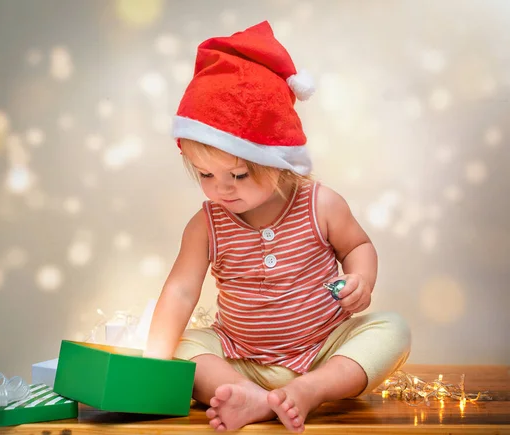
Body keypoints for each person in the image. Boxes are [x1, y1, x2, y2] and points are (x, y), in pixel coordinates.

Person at [144, 21, 411, 433]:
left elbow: (358, 246)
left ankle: (311, 390)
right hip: (240, 358)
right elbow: (180, 291)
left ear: (277, 160)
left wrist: (362, 279)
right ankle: (251, 397)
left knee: (392, 330)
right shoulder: (206, 224)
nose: (221, 190)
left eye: (238, 175)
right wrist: (154, 367)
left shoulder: (320, 204)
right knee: (182, 348)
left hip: (324, 349)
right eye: (205, 175)